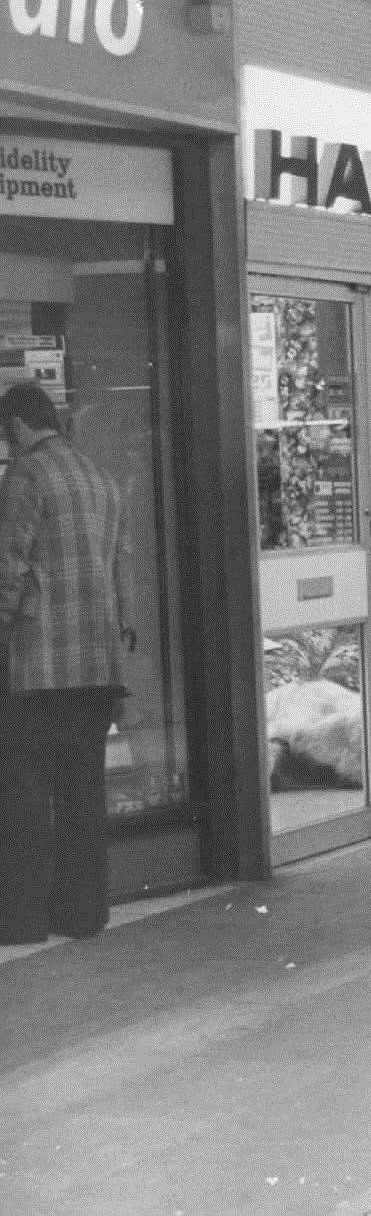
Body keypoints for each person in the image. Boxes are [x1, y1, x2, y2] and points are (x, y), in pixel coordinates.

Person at [0, 383, 130, 944]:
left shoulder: (26, 475)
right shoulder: (99, 480)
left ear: (17, 423)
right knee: (82, 792)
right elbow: (118, 570)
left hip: (39, 667)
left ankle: (23, 921)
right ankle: (83, 913)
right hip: (95, 668)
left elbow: (7, 567)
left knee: (25, 794)